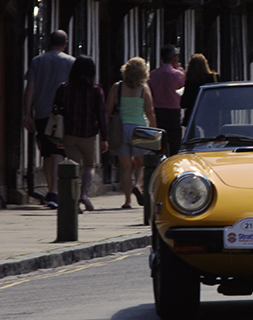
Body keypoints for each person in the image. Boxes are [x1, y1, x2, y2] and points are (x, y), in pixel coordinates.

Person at [23, 30, 75, 209]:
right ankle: (54, 192)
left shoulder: (37, 61)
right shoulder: (71, 62)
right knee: (57, 152)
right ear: (65, 43)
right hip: (61, 113)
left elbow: (29, 89)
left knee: (46, 153)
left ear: (49, 42)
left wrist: (28, 114)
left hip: (42, 112)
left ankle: (50, 188)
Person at [53, 55, 108, 213]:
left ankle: (73, 201)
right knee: (89, 165)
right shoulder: (96, 91)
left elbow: (56, 109)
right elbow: (102, 115)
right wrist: (105, 137)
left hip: (69, 133)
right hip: (88, 133)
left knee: (72, 170)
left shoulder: (63, 88)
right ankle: (84, 194)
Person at [106, 57, 157, 209]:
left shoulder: (117, 87)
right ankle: (138, 184)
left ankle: (127, 200)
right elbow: (150, 112)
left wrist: (106, 130)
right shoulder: (144, 89)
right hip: (139, 129)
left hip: (121, 129)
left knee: (125, 167)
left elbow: (107, 110)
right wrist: (154, 130)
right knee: (140, 163)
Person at [148, 44, 186, 156]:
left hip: (158, 111)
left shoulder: (153, 75)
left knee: (160, 143)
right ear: (174, 58)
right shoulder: (178, 75)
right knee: (175, 143)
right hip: (173, 112)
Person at [181, 54, 218, 127]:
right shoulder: (213, 78)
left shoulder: (190, 81)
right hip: (210, 116)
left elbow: (183, 103)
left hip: (193, 117)